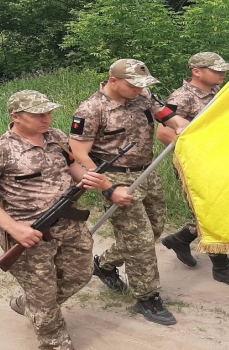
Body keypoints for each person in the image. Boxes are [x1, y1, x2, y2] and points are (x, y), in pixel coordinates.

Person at [0, 90, 110, 350]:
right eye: (38, 114)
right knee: (43, 298)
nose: (47, 118)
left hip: (70, 224)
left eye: (49, 112)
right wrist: (13, 228)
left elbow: (72, 167)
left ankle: (28, 304)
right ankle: (54, 342)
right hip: (30, 234)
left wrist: (89, 177)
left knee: (81, 275)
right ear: (16, 117)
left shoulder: (56, 137)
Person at [68, 59, 188, 326]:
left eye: (141, 85)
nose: (138, 89)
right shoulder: (91, 109)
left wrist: (182, 125)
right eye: (133, 84)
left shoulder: (142, 96)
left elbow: (167, 115)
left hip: (148, 171)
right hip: (114, 176)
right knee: (141, 240)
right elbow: (78, 153)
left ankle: (105, 264)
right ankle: (147, 296)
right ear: (113, 81)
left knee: (155, 228)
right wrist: (108, 188)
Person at [159, 52, 229, 288]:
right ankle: (222, 268)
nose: (223, 73)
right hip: (195, 167)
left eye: (223, 69)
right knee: (211, 214)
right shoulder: (181, 98)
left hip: (219, 163)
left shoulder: (217, 92)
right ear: (197, 71)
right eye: (217, 70)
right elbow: (163, 133)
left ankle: (180, 239)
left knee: (220, 210)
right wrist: (195, 155)